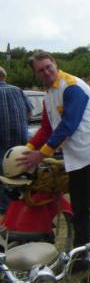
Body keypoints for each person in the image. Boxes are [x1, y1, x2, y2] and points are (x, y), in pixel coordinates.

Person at [17, 51, 90, 283]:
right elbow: (46, 129)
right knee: (80, 209)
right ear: (35, 73)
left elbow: (68, 125)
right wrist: (27, 149)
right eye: (40, 70)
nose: (45, 72)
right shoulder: (49, 95)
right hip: (76, 157)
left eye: (48, 67)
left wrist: (40, 155)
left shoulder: (72, 86)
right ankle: (81, 258)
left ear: (55, 64)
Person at [0, 66, 32, 214]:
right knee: (18, 172)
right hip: (21, 139)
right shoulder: (18, 90)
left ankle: (5, 207)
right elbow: (30, 113)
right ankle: (20, 202)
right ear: (4, 77)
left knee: (2, 174)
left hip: (1, 140)